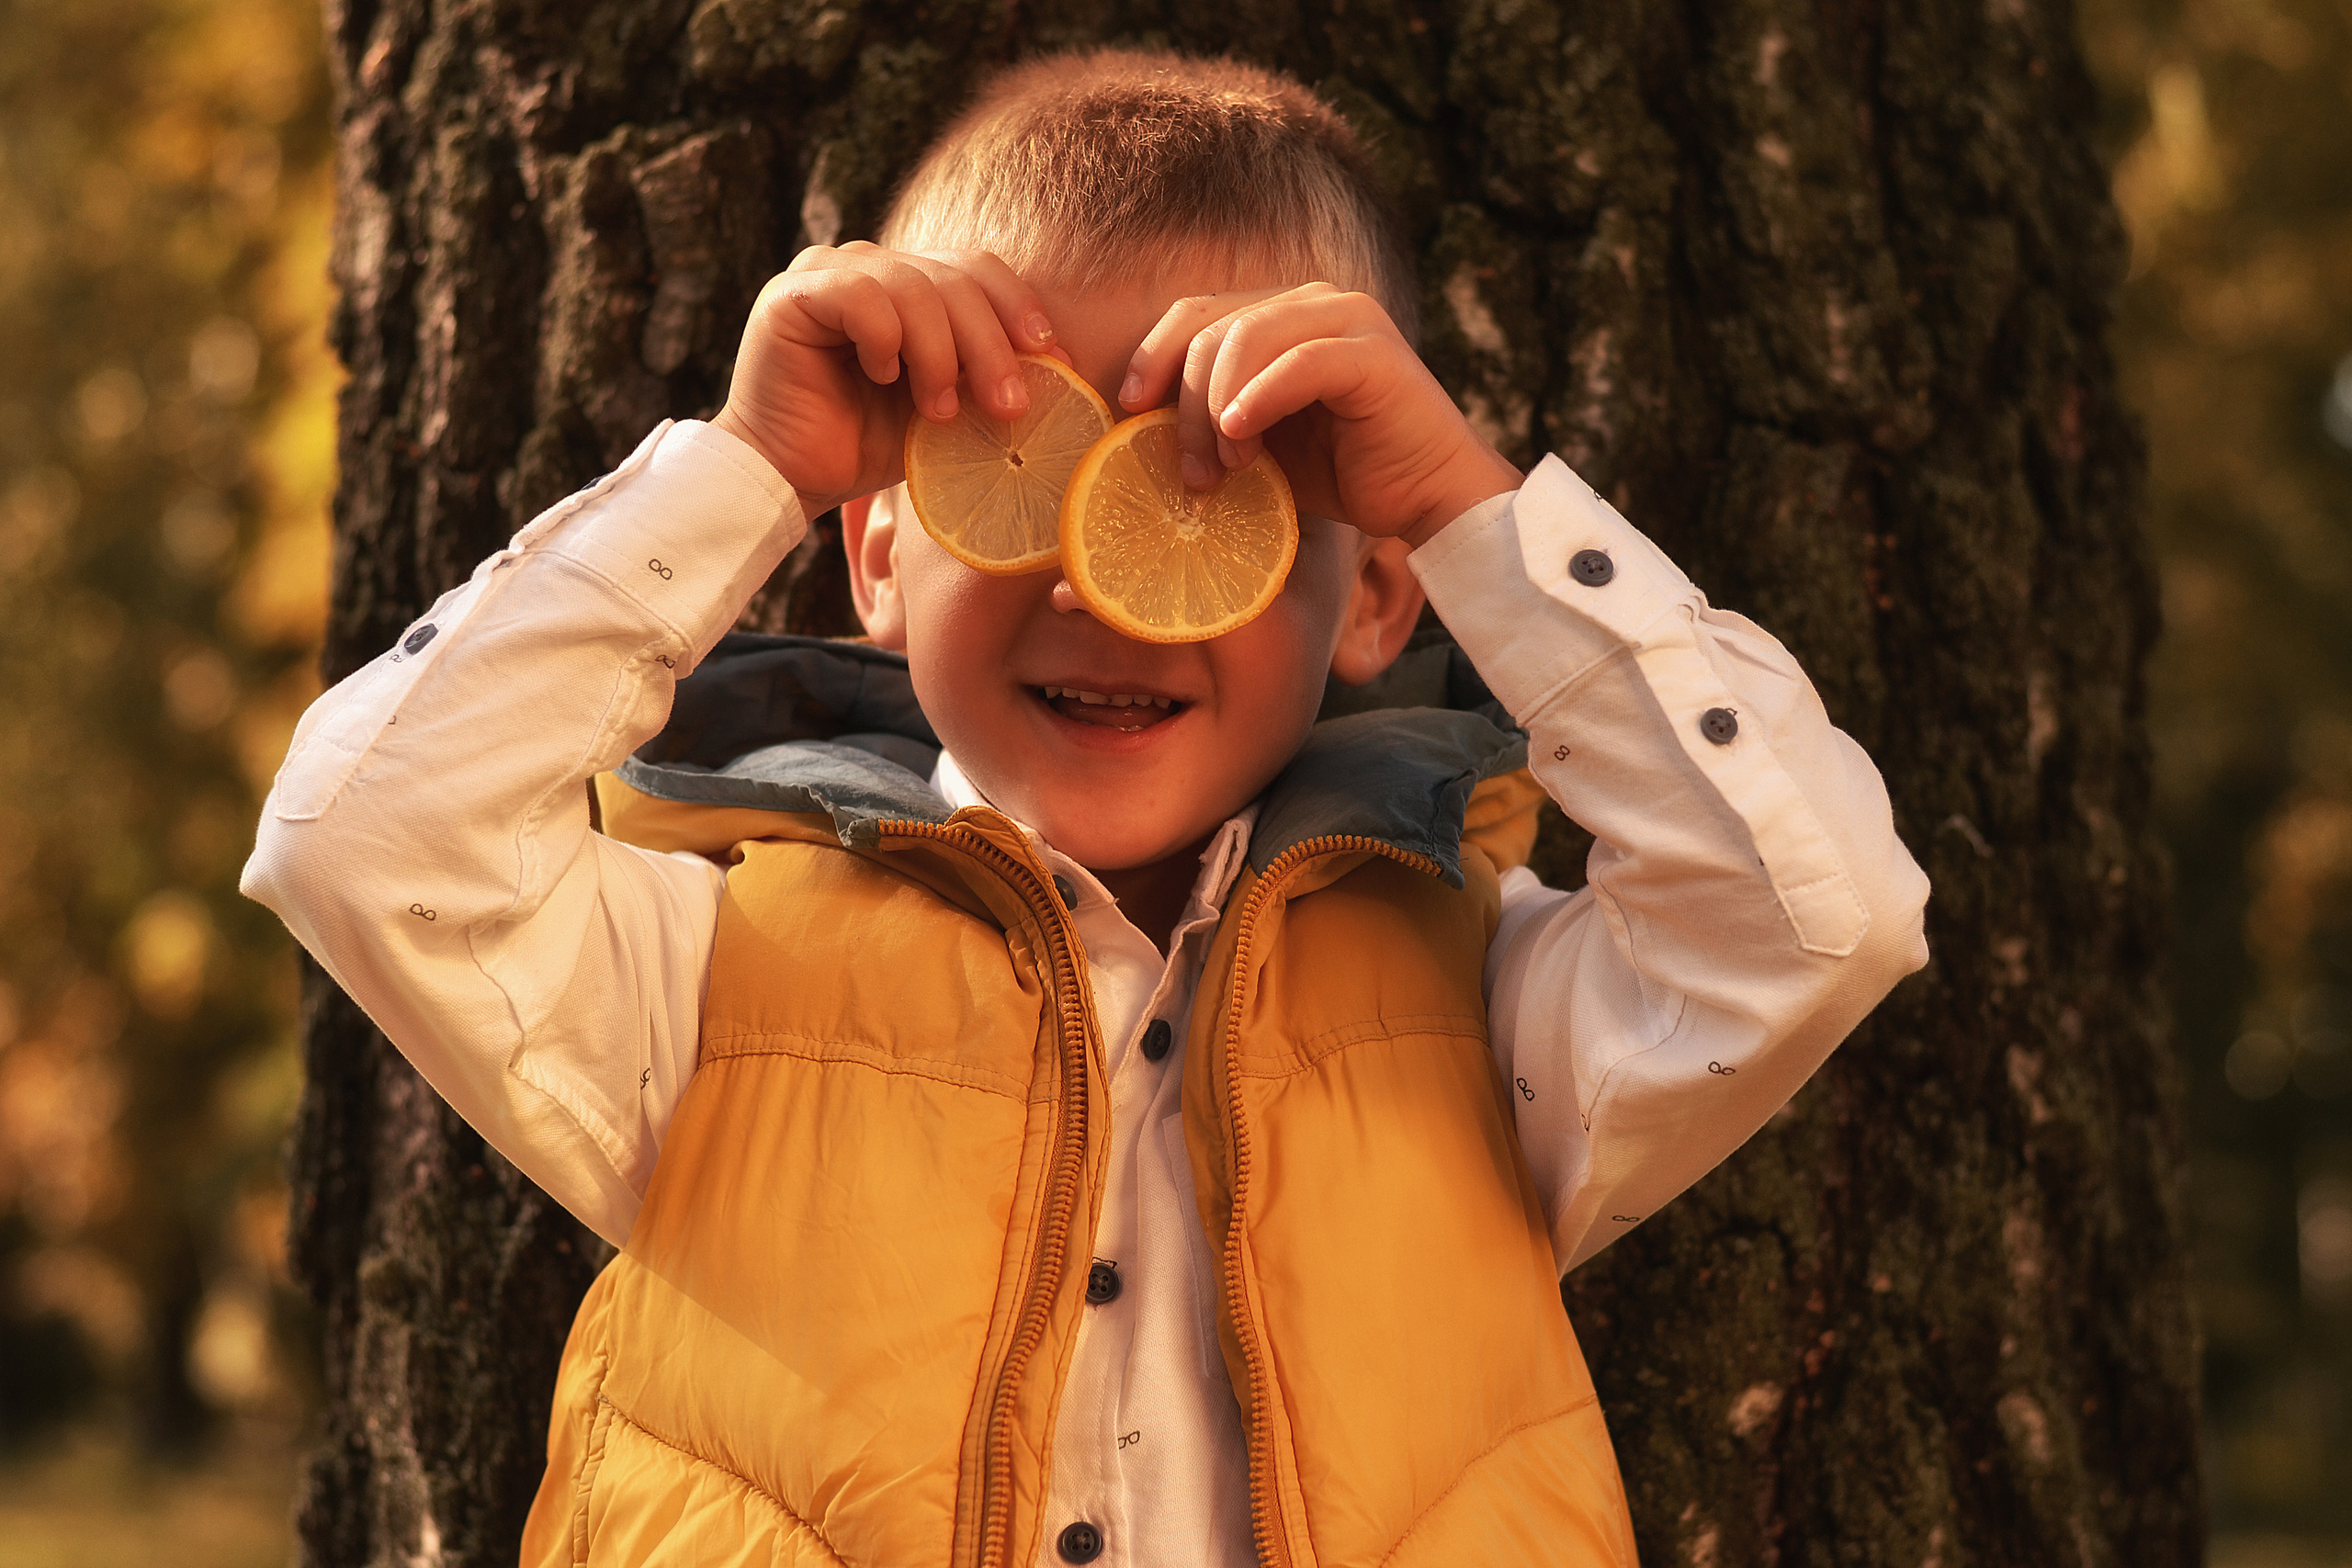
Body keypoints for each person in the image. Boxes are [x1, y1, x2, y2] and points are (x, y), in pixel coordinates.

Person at [244, 47, 1929, 1568]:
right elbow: (360, 839)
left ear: (1374, 593)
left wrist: (1473, 512)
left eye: (1219, 484)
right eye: (1018, 472)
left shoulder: (1493, 1003)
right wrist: (748, 461)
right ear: (883, 547)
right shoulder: (701, 985)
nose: (1108, 587)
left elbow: (1816, 919)